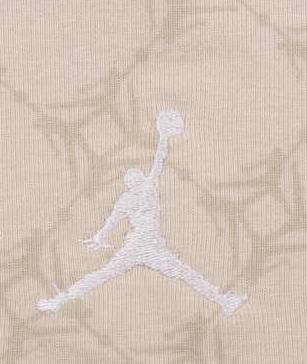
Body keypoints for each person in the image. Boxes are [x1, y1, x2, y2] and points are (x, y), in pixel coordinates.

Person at [37, 109, 247, 316]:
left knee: (104, 275)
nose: (137, 176)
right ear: (133, 181)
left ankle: (59, 300)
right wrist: (163, 137)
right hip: (145, 247)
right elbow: (157, 162)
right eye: (134, 175)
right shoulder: (145, 190)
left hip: (144, 247)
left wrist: (100, 236)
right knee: (184, 273)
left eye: (136, 174)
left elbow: (112, 222)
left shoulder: (136, 194)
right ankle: (224, 301)